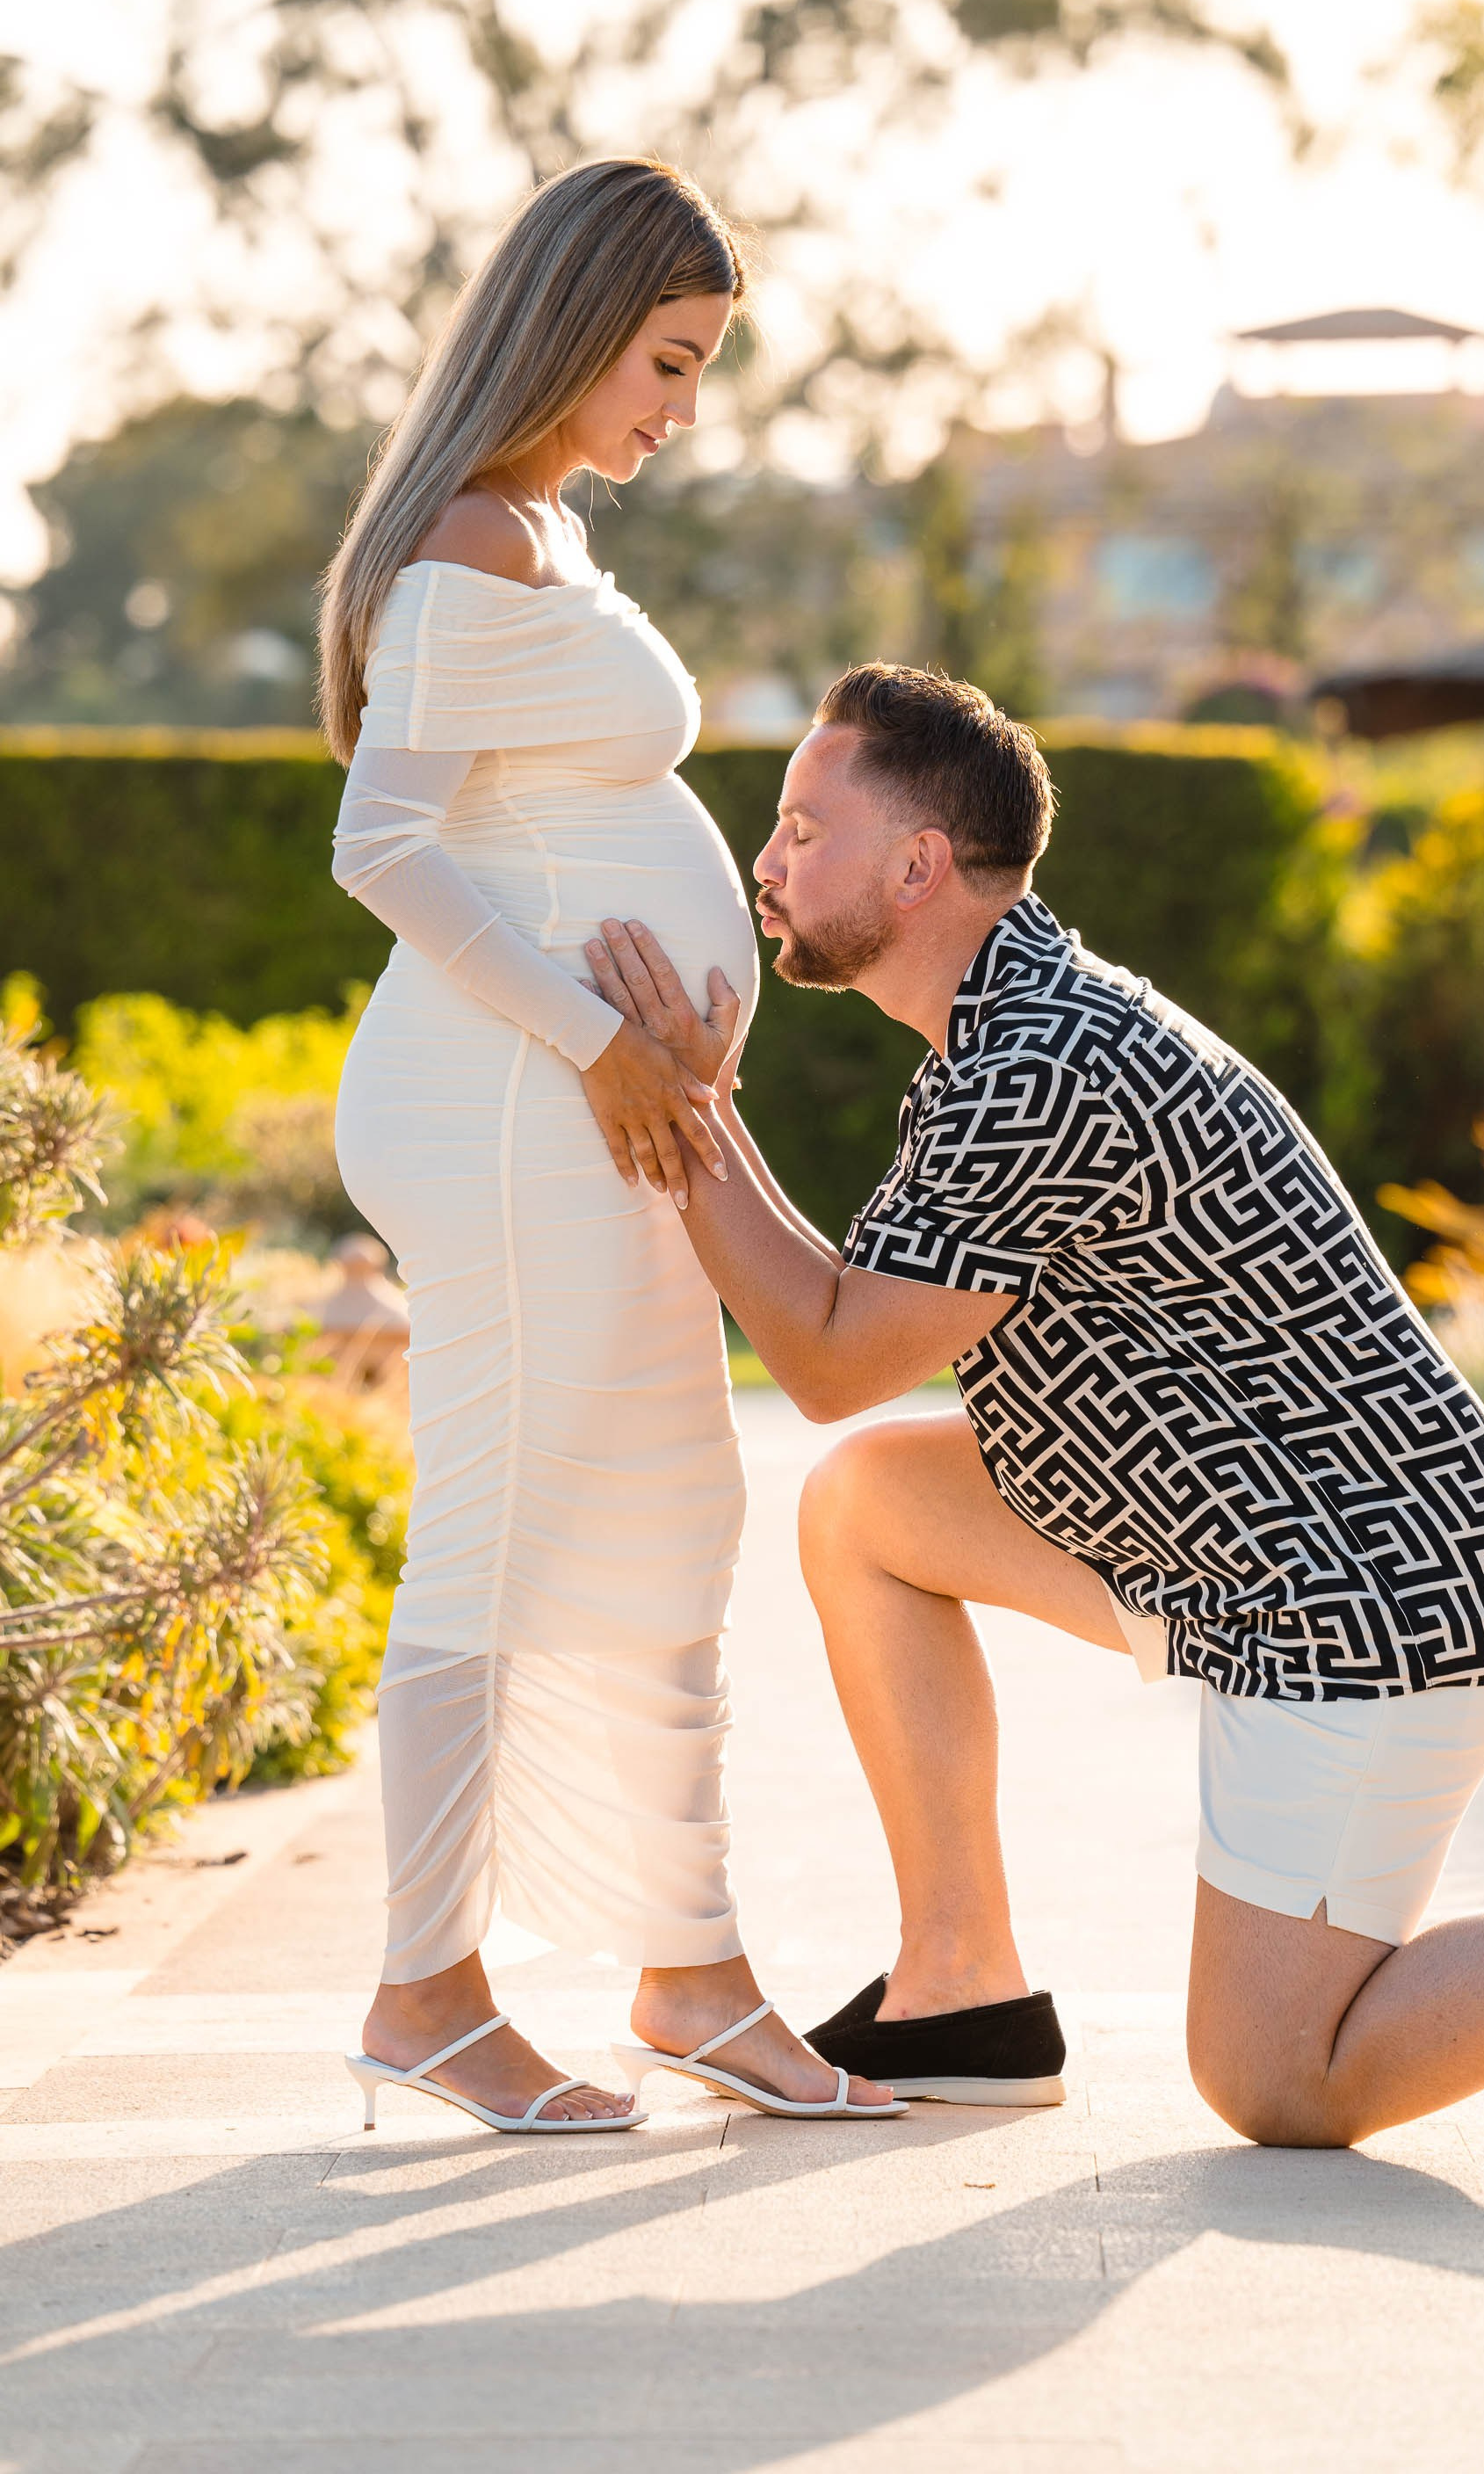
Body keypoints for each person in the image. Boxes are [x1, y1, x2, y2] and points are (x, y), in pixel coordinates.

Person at [583, 658, 1484, 2146]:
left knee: (1280, 2083)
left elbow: (823, 1360)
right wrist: (694, 1107)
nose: (765, 862)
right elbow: (845, 1324)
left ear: (919, 866)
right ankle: (961, 1991)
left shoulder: (1038, 1065)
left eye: (804, 831)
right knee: (871, 1508)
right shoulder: (1003, 1032)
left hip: (1368, 1595)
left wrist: (678, 1105)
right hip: (1240, 1548)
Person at [322, 160, 896, 2132]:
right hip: (512, 1107)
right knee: (493, 1533)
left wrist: (650, 1052)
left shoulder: (542, 531)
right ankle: (426, 1992)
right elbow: (382, 846)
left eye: (702, 365)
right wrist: (598, 1046)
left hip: (592, 1106)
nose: (681, 405)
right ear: (572, 328)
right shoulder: (469, 544)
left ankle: (692, 1970)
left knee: (670, 1509)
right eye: (666, 359)